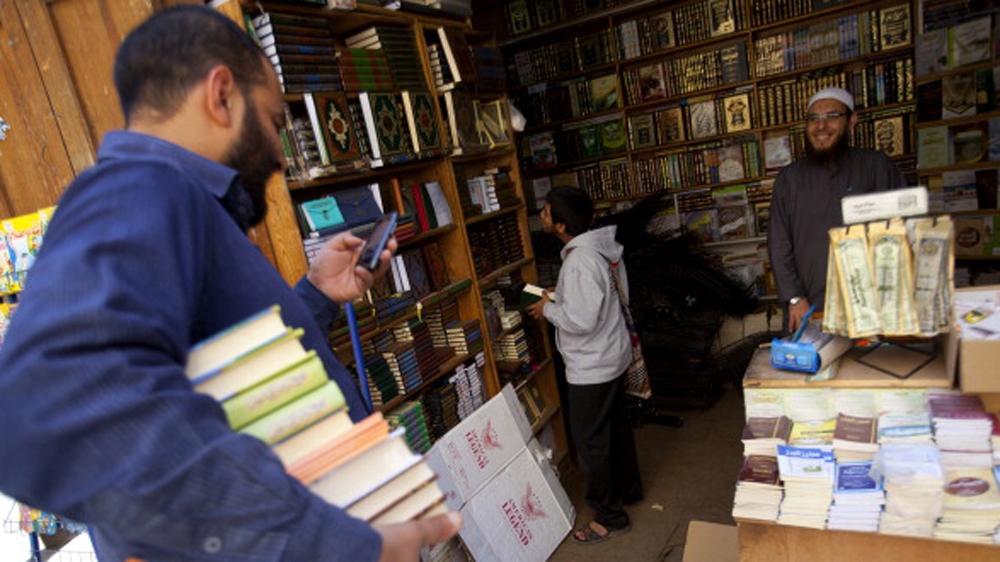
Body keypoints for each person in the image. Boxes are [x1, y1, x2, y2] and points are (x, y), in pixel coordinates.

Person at [0, 6, 459, 562]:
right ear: (221, 95)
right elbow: (42, 409)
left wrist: (312, 298)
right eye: (271, 122)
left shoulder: (176, 203)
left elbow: (221, 370)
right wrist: (327, 545)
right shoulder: (143, 187)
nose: (279, 153)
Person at [526, 186, 642, 545]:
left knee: (591, 442)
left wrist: (547, 309)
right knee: (617, 428)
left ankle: (609, 517)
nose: (542, 216)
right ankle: (629, 490)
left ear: (561, 224)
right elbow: (602, 298)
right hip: (613, 353)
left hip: (592, 365)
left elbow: (582, 320)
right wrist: (559, 295)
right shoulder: (602, 249)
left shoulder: (578, 260)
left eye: (546, 212)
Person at [767, 87, 905, 333]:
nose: (821, 126)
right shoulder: (789, 179)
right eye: (813, 119)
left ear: (851, 121)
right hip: (809, 308)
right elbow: (778, 243)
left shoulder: (877, 167)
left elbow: (899, 228)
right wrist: (795, 298)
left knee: (871, 368)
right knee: (811, 368)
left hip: (872, 306)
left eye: (832, 116)